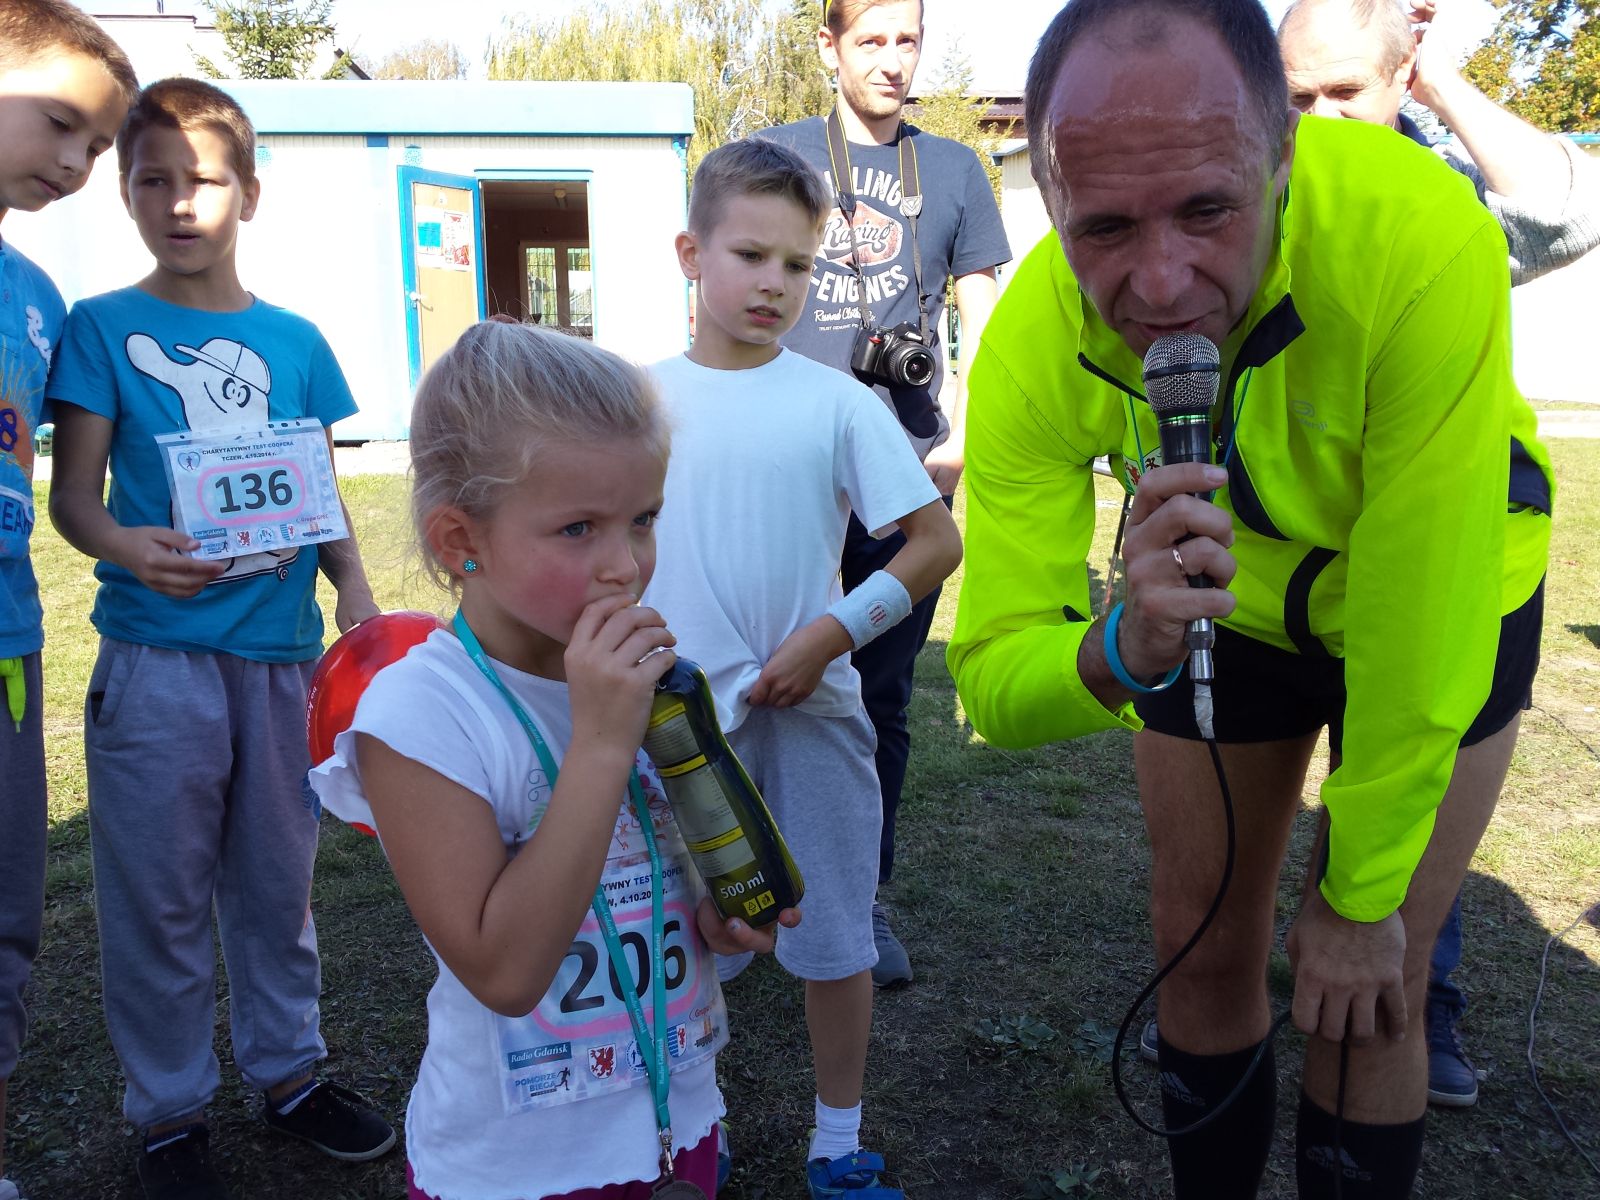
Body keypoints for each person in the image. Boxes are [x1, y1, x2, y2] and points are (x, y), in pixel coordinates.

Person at [947, 1, 1549, 1197]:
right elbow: (993, 679)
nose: (1161, 280)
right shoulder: (1031, 341)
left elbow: (1417, 600)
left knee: (1374, 981)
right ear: (1049, 204)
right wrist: (1120, 647)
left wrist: (1358, 899)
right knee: (1197, 944)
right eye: (1103, 226)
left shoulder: (1415, 228)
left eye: (1208, 210)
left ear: (1282, 158)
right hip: (1232, 605)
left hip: (1452, 582)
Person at [1135, 0, 1600, 1110]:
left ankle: (1419, 991)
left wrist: (1438, 85)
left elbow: (1565, 210)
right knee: (1207, 930)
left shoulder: (1442, 186)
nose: (1322, 120)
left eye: (1347, 91)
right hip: (1263, 581)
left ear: (1401, 78)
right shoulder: (1242, 195)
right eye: (1295, 98)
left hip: (1432, 579)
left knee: (1380, 953)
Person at [309, 320, 792, 1200]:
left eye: (643, 519)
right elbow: (503, 970)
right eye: (577, 528)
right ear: (461, 541)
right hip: (514, 1168)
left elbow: (657, 870)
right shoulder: (420, 715)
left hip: (675, 1122)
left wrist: (711, 919)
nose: (625, 566)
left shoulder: (646, 678)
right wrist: (602, 741)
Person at [45, 77, 393, 1200]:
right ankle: (169, 1113)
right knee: (156, 898)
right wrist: (126, 544)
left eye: (202, 179)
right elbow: (74, 497)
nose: (178, 202)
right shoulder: (101, 327)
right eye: (152, 180)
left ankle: (289, 1075)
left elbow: (318, 488)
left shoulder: (295, 342)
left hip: (280, 663)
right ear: (125, 192)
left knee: (277, 887)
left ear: (249, 190)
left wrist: (351, 584)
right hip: (156, 663)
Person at [643, 138, 962, 1198]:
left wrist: (831, 634)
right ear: (691, 254)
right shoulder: (628, 400)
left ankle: (837, 1142)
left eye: (797, 264)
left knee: (833, 933)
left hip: (811, 713)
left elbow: (933, 545)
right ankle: (695, 1124)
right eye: (750, 255)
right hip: (673, 727)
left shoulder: (838, 402)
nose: (774, 283)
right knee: (686, 933)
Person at [761, 0, 1010, 987]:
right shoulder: (774, 156)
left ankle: (861, 894)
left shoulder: (953, 170)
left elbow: (989, 324)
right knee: (764, 680)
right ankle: (758, 887)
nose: (892, 61)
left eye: (907, 40)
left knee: (882, 697)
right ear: (828, 46)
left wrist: (961, 448)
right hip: (789, 473)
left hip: (905, 476)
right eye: (870, 40)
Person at [0, 7, 135, 1199]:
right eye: (58, 123)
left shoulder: (39, 299)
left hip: (8, 650)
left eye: (95, 146)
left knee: (7, 922)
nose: (76, 161)